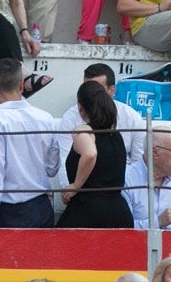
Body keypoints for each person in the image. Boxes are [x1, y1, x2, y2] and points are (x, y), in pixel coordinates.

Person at [0, 57, 58, 229]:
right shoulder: (46, 118)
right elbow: (52, 167)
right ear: (21, 85)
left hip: (10, 210)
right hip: (42, 206)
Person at [58, 79, 133, 229]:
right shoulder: (116, 135)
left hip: (88, 212)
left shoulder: (84, 131)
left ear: (80, 108)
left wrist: (75, 186)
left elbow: (90, 153)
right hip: (119, 212)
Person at [122, 125, 171, 230]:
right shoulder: (127, 180)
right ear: (155, 152)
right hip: (137, 245)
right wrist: (158, 221)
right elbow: (122, 229)